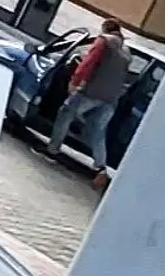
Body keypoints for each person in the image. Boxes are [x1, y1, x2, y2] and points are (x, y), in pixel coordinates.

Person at [42, 18, 131, 190]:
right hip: (111, 100)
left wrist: (75, 82)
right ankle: (100, 168)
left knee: (65, 113)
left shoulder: (103, 41)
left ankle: (52, 151)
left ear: (105, 28)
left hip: (91, 92)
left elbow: (88, 62)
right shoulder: (126, 51)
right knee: (97, 131)